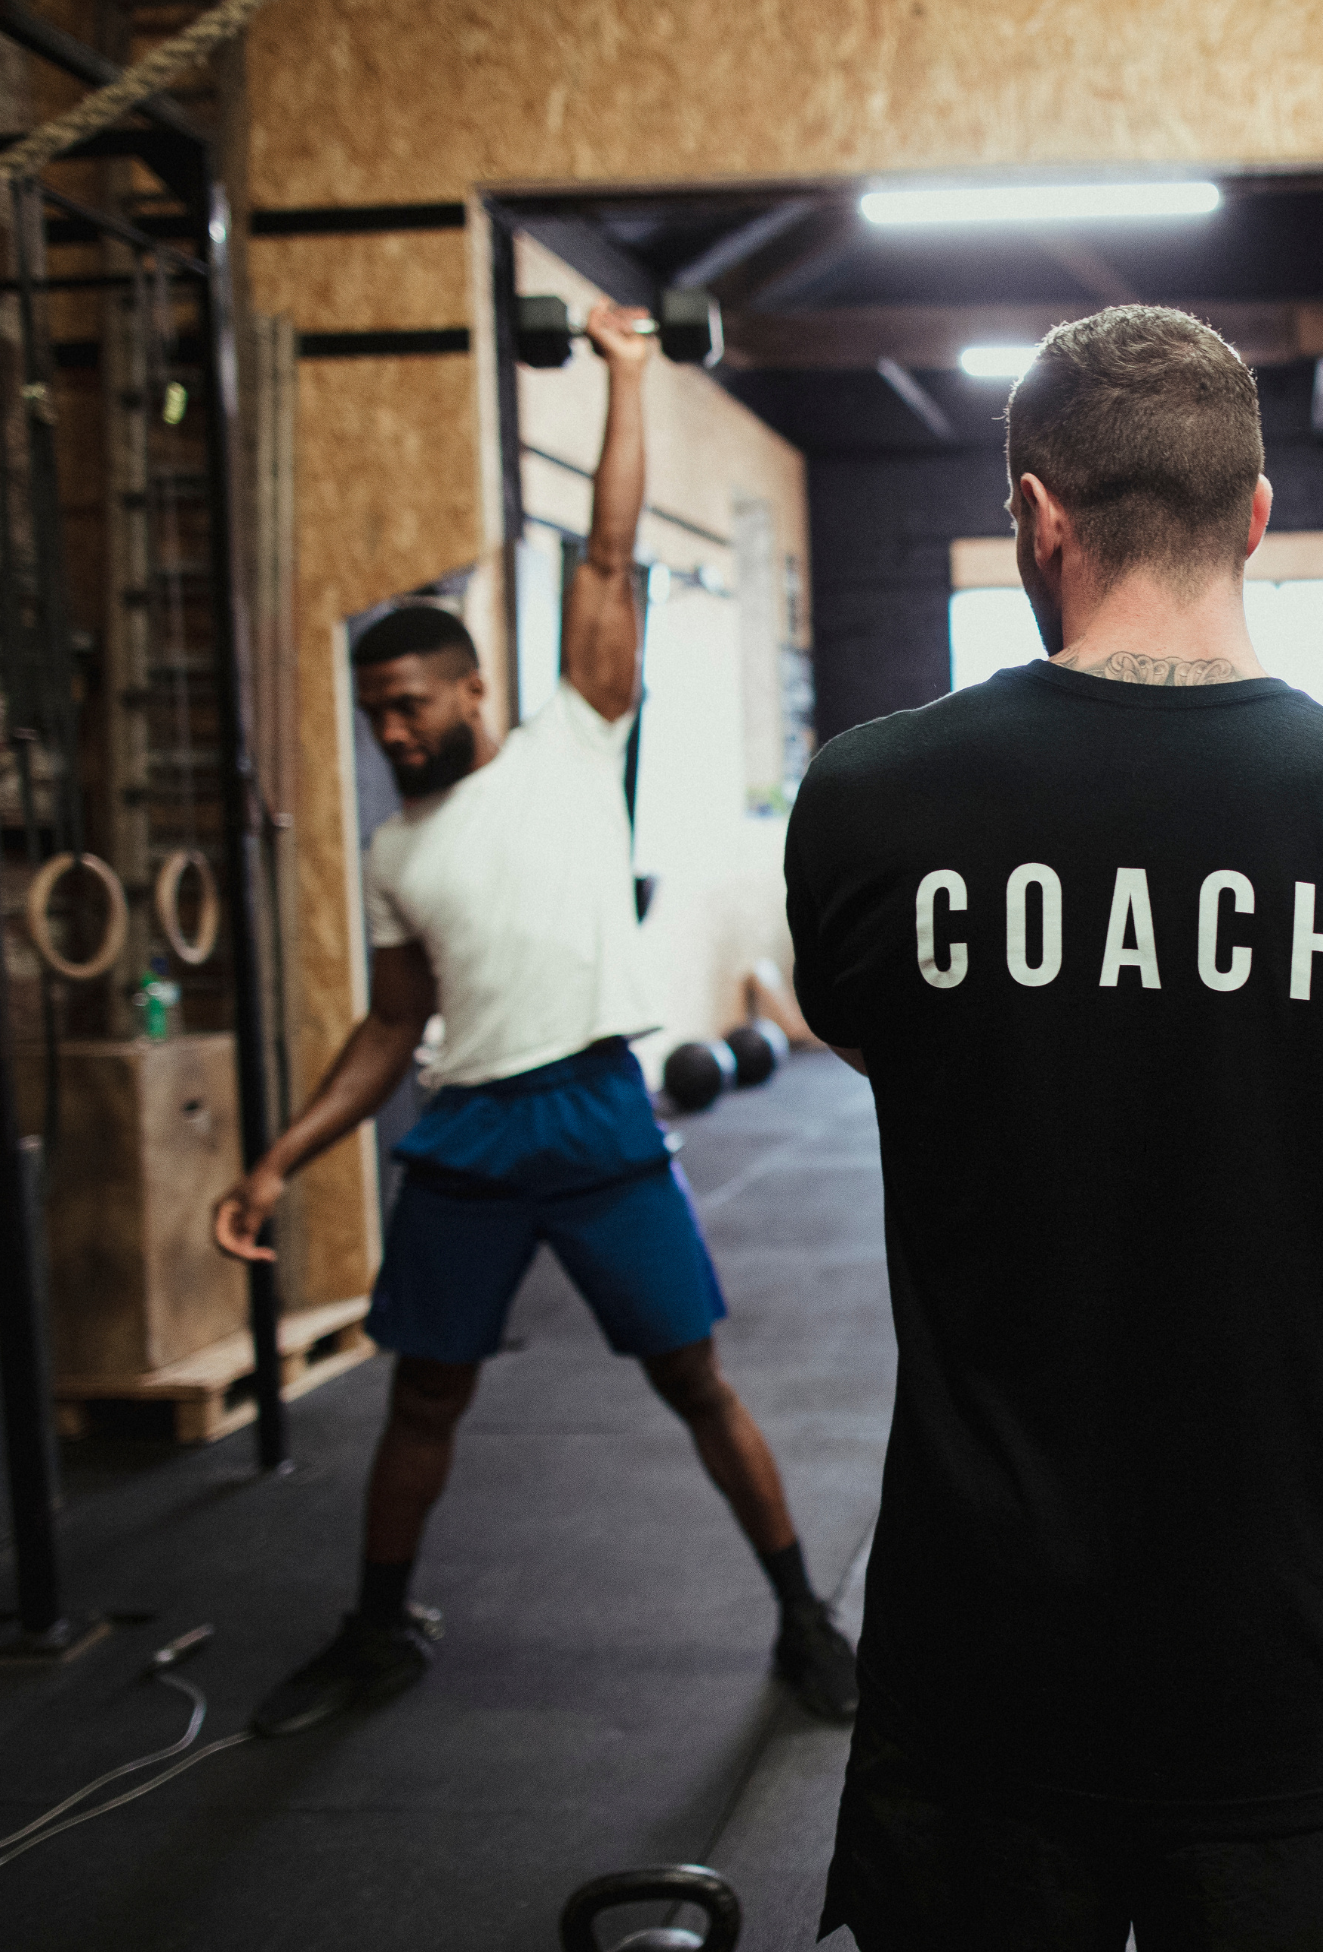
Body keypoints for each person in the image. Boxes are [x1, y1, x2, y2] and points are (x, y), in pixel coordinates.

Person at [786, 306, 1323, 1952]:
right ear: (1256, 515)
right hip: (1293, 1660)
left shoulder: (866, 802)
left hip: (986, 1662)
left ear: (1035, 516)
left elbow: (887, 1049)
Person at [215, 301, 856, 1736]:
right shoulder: (396, 851)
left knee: (693, 1380)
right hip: (469, 1132)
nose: (390, 732)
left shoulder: (572, 743)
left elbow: (610, 554)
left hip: (596, 1112)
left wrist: (627, 371)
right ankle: (377, 1628)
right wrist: (278, 1161)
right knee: (422, 1399)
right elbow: (391, 1028)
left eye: (407, 706)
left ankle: (803, 1617)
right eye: (373, 715)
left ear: (472, 689)